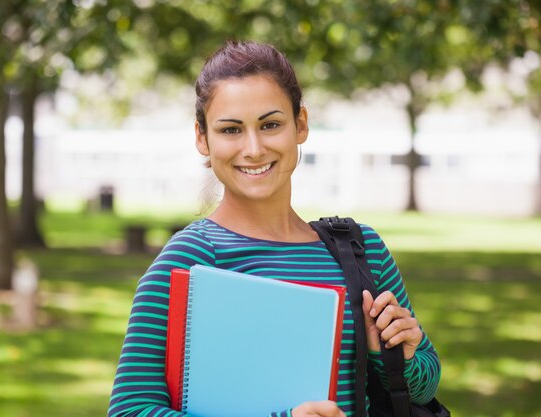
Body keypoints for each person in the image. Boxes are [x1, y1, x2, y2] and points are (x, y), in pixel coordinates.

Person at [108, 40, 441, 417]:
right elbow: (130, 410)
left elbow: (425, 384)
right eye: (231, 130)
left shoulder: (361, 249)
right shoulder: (190, 259)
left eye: (270, 125)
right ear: (202, 138)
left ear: (300, 125)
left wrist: (397, 356)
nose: (253, 148)